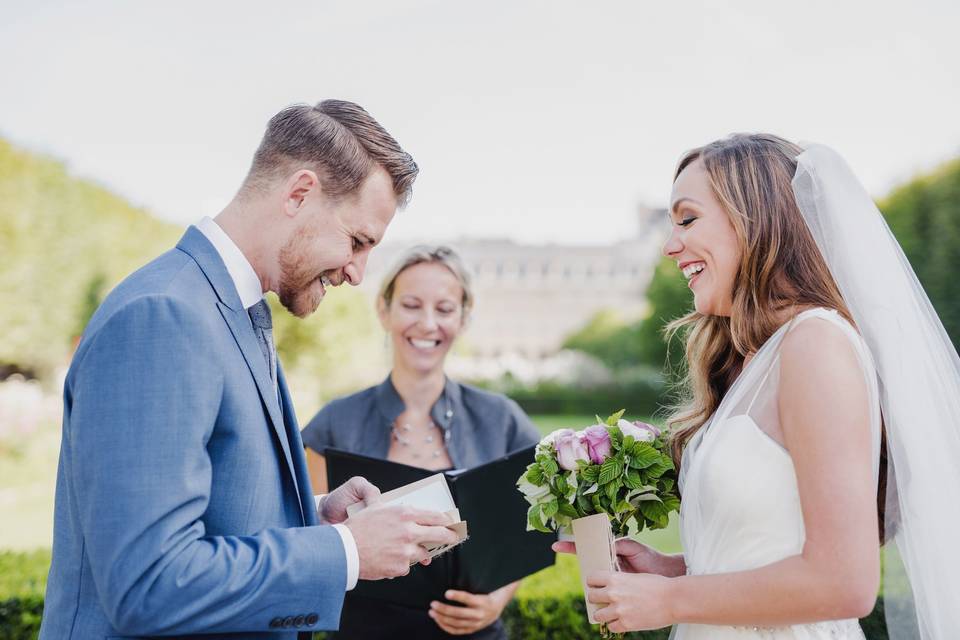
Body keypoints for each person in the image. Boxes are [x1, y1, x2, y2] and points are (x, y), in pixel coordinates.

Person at [39, 100, 461, 640]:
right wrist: (347, 551)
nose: (358, 273)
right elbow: (149, 584)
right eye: (357, 241)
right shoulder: (163, 316)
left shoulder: (231, 311)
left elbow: (209, 508)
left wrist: (314, 514)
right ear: (299, 192)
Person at [555, 134, 960, 638]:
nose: (670, 245)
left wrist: (672, 599)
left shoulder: (816, 344)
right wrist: (672, 571)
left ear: (755, 216)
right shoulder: (756, 357)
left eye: (687, 219)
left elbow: (845, 582)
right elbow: (770, 545)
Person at [302, 245, 541, 639]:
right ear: (384, 311)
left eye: (445, 309)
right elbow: (304, 535)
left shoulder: (502, 419)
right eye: (411, 305)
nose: (428, 323)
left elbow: (537, 524)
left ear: (463, 319)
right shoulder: (333, 423)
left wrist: (497, 597)